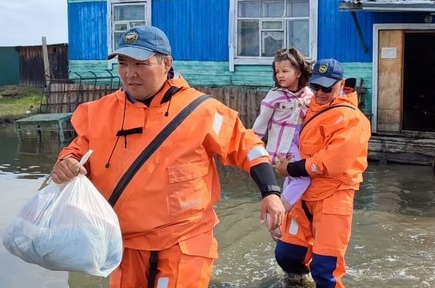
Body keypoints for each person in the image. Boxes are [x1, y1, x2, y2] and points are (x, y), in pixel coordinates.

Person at [50, 25, 285, 288]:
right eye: (123, 63)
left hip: (184, 240)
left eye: (141, 63)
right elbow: (76, 151)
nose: (130, 73)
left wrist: (271, 191)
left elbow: (246, 145)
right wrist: (65, 164)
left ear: (166, 63)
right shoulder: (99, 113)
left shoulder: (201, 111)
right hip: (125, 244)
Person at [272, 58, 371, 288]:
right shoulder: (306, 106)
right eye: (316, 86)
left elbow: (334, 161)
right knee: (286, 254)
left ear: (341, 84)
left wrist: (291, 168)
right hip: (303, 194)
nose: (321, 92)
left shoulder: (351, 119)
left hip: (333, 196)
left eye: (327, 87)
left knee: (326, 271)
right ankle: (299, 282)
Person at [252, 48, 314, 234]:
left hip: (299, 143)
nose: (280, 75)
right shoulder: (275, 96)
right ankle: (277, 215)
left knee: (292, 178)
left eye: (285, 71)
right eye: (277, 71)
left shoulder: (308, 94)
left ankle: (285, 225)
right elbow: (261, 123)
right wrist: (253, 145)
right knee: (304, 177)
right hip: (282, 146)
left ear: (298, 72)